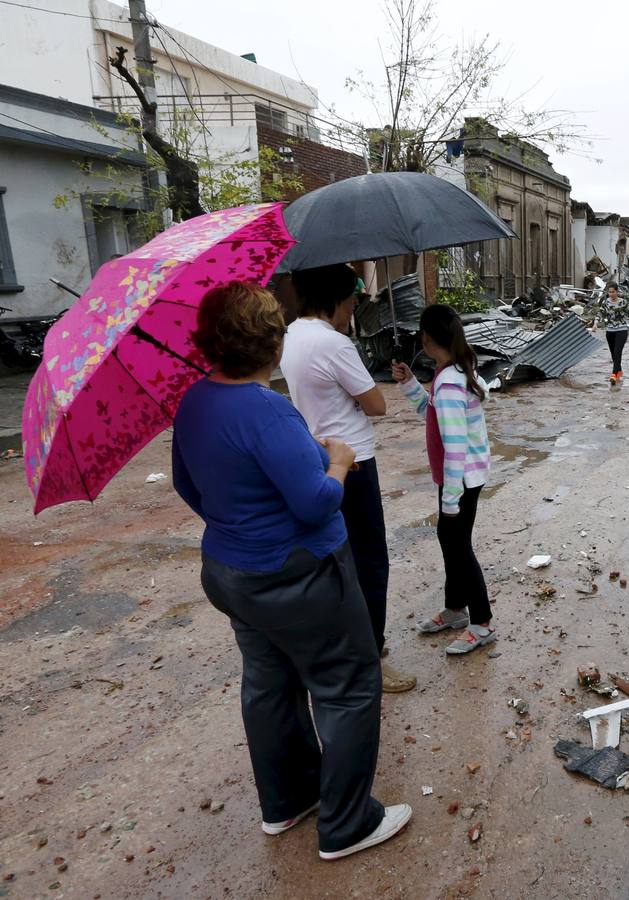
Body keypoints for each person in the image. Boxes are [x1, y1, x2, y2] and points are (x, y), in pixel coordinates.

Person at [171, 281, 410, 861]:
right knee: (348, 686)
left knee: (270, 684)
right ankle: (348, 822)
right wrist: (340, 462)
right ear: (272, 344)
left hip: (232, 574)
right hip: (299, 578)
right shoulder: (267, 410)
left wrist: (238, 525)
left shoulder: (195, 401)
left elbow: (186, 484)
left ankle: (288, 801)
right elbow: (313, 502)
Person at [281, 263, 415, 694]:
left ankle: (344, 646)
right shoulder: (334, 344)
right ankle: (369, 658)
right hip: (354, 463)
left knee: (331, 559)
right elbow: (377, 405)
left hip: (313, 456)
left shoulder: (291, 335)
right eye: (352, 298)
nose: (355, 305)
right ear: (335, 299)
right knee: (370, 562)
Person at [391, 306, 495, 657]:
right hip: (458, 477)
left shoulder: (450, 382)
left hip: (460, 478)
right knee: (449, 539)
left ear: (425, 337)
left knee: (458, 545)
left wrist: (451, 498)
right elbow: (430, 414)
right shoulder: (448, 374)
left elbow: (455, 448)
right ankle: (455, 609)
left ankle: (481, 622)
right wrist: (409, 384)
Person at [596, 282, 629, 383]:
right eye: (609, 292)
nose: (611, 294)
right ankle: (619, 370)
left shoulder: (623, 302)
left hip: (621, 330)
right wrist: (595, 324)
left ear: (617, 291)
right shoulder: (606, 303)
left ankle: (614, 374)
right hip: (610, 331)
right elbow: (600, 313)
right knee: (613, 353)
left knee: (617, 352)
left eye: (613, 292)